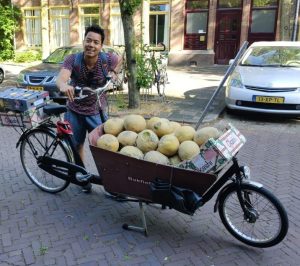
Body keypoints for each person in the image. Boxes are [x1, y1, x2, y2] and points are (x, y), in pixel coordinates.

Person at [56, 25, 122, 192]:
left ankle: (111, 184)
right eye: (88, 40)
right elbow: (61, 78)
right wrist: (64, 86)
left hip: (96, 111)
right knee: (77, 145)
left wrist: (114, 73)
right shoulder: (73, 59)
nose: (91, 45)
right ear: (83, 41)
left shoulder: (107, 59)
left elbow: (120, 60)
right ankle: (83, 177)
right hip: (74, 111)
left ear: (101, 46)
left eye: (96, 42)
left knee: (105, 147)